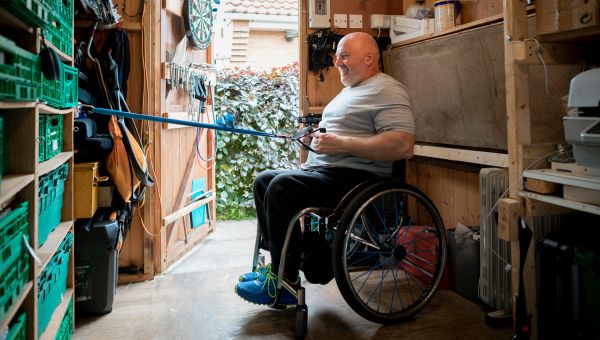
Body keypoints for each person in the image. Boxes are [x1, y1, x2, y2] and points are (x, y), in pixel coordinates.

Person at [234, 32, 416, 306]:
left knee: (282, 187)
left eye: (344, 55)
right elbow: (339, 135)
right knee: (264, 180)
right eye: (336, 56)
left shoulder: (387, 89)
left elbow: (402, 145)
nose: (337, 62)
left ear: (369, 57)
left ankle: (284, 280)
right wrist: (313, 137)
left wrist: (341, 142)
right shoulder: (350, 91)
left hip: (355, 179)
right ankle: (277, 270)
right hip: (325, 172)